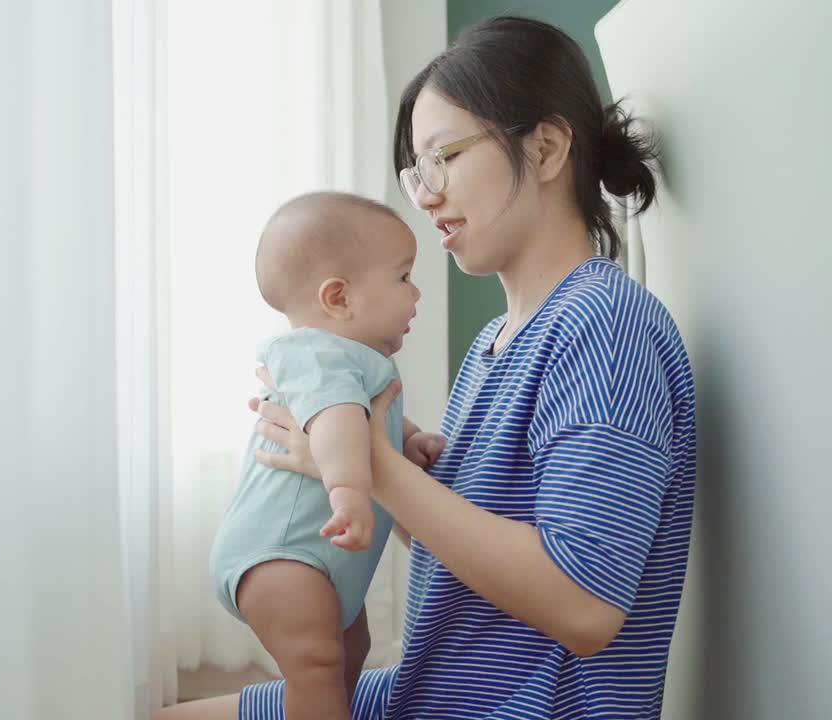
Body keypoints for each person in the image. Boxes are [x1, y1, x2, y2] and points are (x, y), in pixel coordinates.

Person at [157, 16, 695, 720]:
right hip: (436, 687)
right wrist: (360, 465)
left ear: (547, 146)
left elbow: (586, 603)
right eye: (418, 172)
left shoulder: (603, 324)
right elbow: (466, 543)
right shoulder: (497, 342)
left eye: (445, 157)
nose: (428, 196)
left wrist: (376, 470)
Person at [208, 191, 445, 720]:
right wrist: (348, 491)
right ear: (338, 298)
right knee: (315, 663)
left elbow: (366, 423)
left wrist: (407, 441)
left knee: (347, 655)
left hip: (316, 561)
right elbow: (337, 425)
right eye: (403, 277)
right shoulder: (317, 352)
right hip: (281, 555)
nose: (417, 293)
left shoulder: (353, 361)